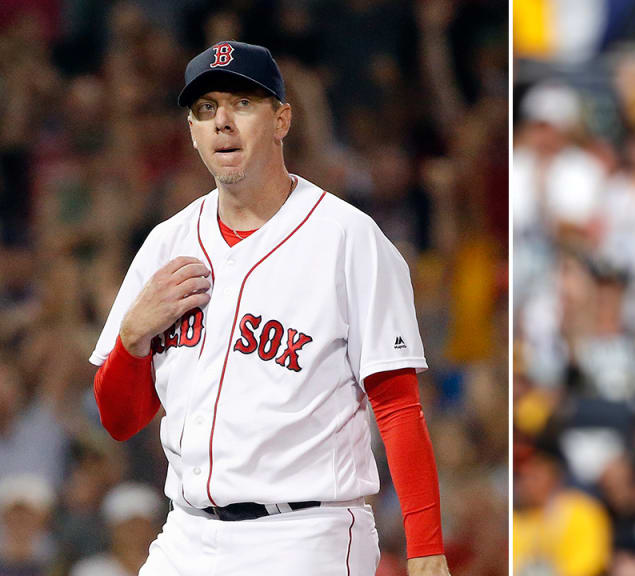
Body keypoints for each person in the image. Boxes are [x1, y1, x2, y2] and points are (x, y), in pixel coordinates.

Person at [89, 41, 450, 576]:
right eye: (206, 109)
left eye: (242, 103)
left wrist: (425, 547)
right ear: (191, 130)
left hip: (305, 536)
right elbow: (119, 422)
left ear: (282, 119)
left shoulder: (348, 239)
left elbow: (396, 407)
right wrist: (131, 339)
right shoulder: (167, 243)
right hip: (186, 534)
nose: (222, 123)